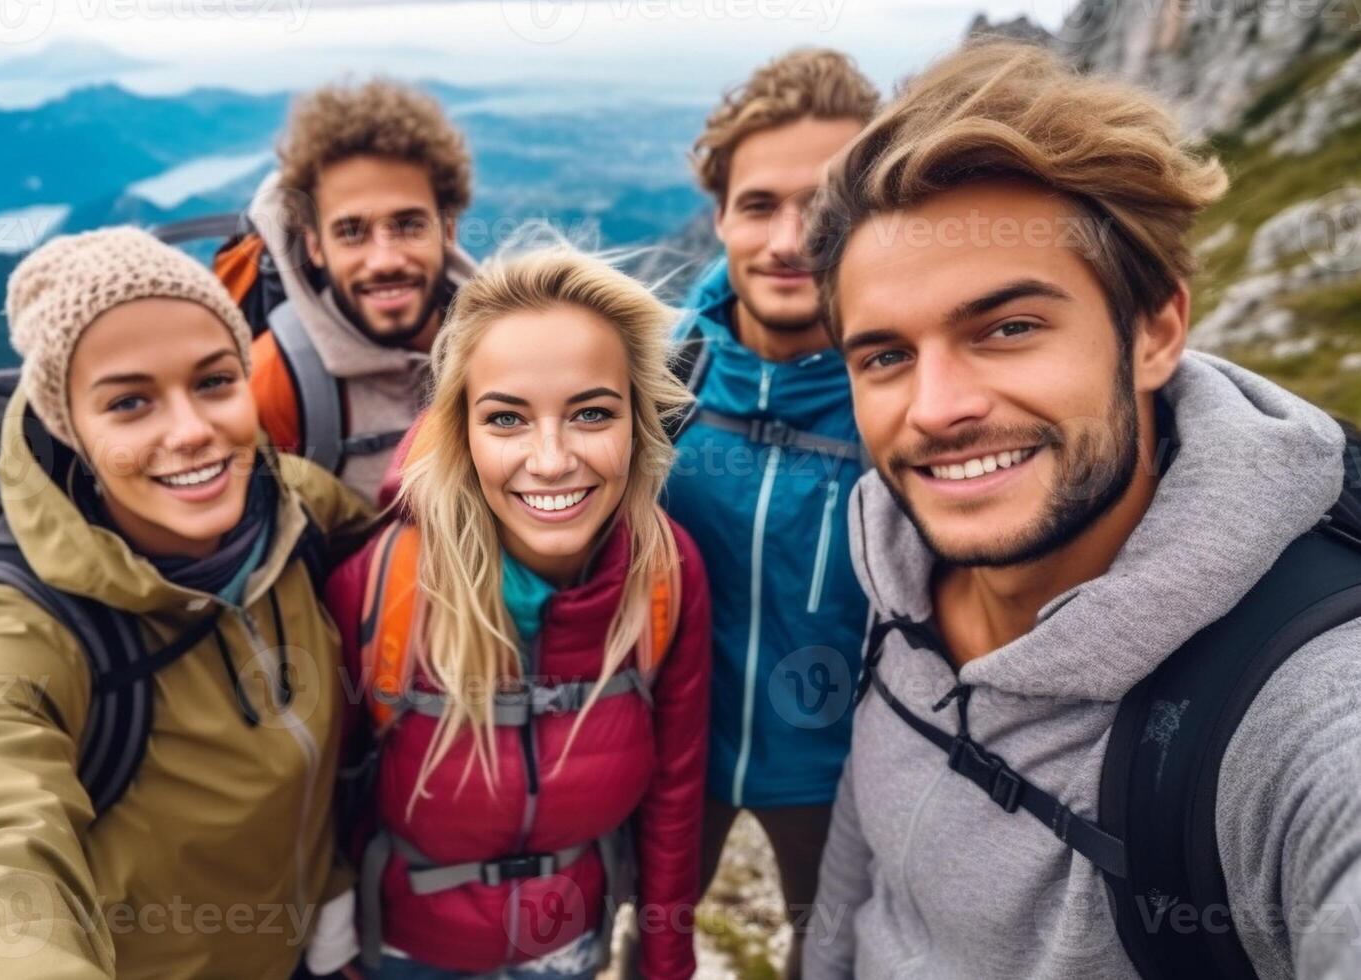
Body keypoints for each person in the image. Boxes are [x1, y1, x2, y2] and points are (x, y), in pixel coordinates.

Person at [801, 41, 1361, 978]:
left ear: (1153, 332)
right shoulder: (894, 561)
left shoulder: (1304, 715)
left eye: (1008, 328)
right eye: (885, 356)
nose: (936, 408)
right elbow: (863, 877)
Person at [0, 227, 375, 979]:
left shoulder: (297, 507)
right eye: (130, 402)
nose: (192, 432)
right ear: (70, 427)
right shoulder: (21, 632)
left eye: (214, 382)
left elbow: (426, 559)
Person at [321, 247, 711, 978]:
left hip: (566, 944)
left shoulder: (665, 574)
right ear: (461, 432)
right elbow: (321, 796)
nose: (552, 458)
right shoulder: (381, 586)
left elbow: (675, 790)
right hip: (406, 951)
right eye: (506, 420)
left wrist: (666, 962)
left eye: (591, 413)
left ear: (639, 422)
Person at [661, 48, 878, 971]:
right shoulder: (657, 381)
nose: (790, 240)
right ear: (719, 218)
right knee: (647, 944)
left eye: (825, 208)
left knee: (828, 959)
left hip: (844, 774)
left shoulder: (904, 399)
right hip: (673, 755)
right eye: (758, 205)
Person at [243, 79, 480, 504]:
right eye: (352, 232)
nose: (384, 260)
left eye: (408, 225)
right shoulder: (275, 382)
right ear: (315, 246)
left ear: (447, 230)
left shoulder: (507, 347)